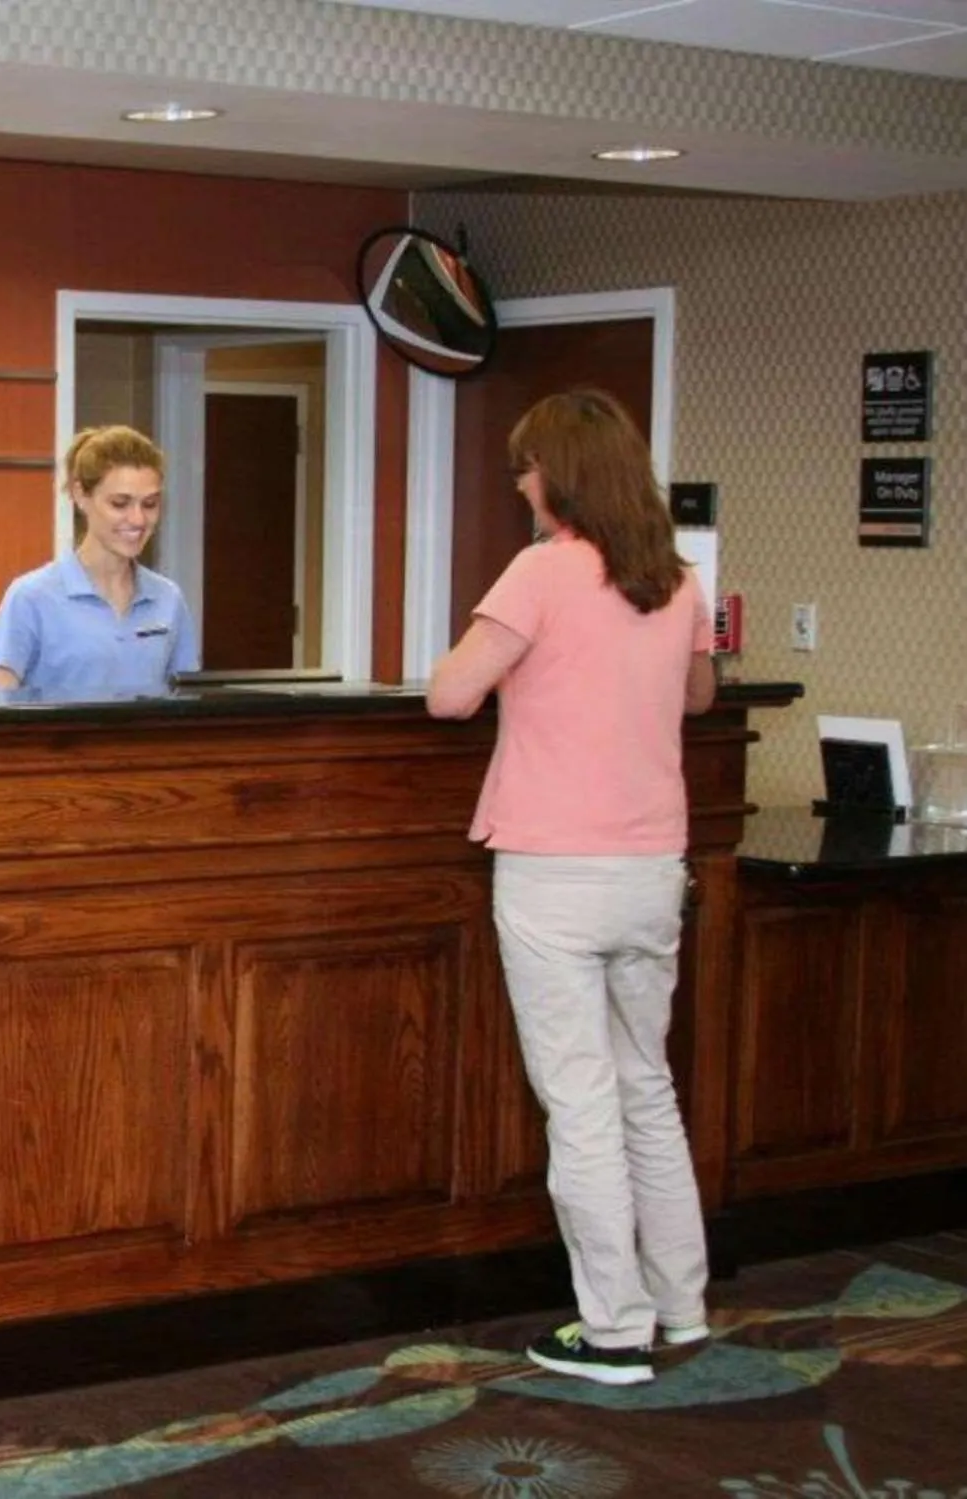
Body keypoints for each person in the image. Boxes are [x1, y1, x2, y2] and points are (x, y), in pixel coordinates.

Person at [427, 388, 718, 1387]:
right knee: (645, 1085)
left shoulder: (542, 569)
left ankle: (609, 1329)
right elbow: (697, 695)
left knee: (580, 1099)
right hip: (650, 867)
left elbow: (446, 692)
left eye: (524, 467)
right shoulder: (673, 577)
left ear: (558, 475)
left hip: (554, 869)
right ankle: (678, 1306)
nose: (517, 483)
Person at [0, 425, 199, 696]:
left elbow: (188, 703)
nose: (138, 519)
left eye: (150, 504)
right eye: (120, 503)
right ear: (81, 495)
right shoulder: (31, 597)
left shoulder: (169, 598)